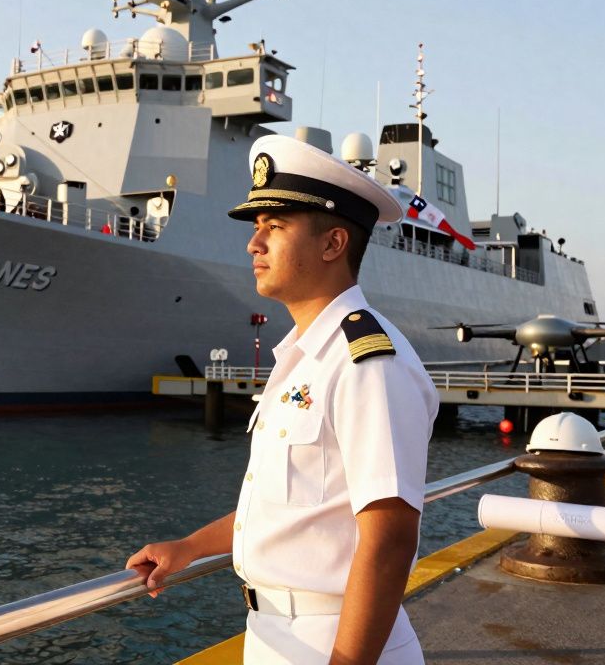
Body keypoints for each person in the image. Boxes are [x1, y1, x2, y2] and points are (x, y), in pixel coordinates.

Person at [126, 136, 435, 664]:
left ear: (333, 244)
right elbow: (289, 511)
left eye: (276, 227)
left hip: (337, 641)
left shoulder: (368, 362)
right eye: (256, 228)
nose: (254, 244)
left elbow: (389, 541)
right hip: (275, 634)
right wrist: (190, 548)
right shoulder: (303, 357)